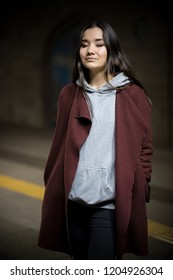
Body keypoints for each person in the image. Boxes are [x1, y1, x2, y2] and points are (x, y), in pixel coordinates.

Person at [38, 19, 153, 260]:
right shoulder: (69, 94)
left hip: (109, 204)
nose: (90, 50)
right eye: (84, 44)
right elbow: (59, 146)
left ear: (112, 49)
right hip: (74, 201)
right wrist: (53, 181)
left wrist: (140, 184)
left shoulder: (133, 95)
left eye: (99, 44)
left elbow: (145, 148)